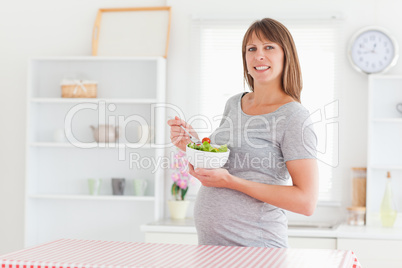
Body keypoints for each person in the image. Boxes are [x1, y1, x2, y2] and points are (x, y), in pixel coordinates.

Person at [167, 18, 318, 248]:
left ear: (286, 55)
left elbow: (306, 202)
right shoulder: (234, 103)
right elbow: (227, 163)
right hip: (212, 248)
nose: (259, 55)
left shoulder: (294, 117)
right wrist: (192, 144)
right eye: (251, 49)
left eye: (269, 47)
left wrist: (231, 182)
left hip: (258, 250)